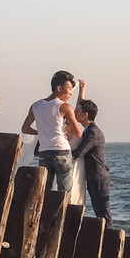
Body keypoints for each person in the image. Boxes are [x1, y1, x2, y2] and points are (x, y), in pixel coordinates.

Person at [20, 71, 85, 201]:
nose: (71, 93)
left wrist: (42, 132)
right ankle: (62, 219)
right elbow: (78, 133)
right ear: (59, 88)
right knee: (64, 194)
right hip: (62, 152)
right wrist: (66, 129)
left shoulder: (36, 106)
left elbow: (25, 128)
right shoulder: (65, 107)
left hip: (44, 153)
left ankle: (44, 219)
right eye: (69, 90)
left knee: (45, 192)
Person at [75, 98, 112, 220]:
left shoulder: (92, 132)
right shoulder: (89, 130)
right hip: (95, 176)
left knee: (103, 212)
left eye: (78, 110)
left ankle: (110, 237)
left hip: (98, 176)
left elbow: (79, 152)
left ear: (85, 115)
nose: (74, 112)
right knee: (100, 211)